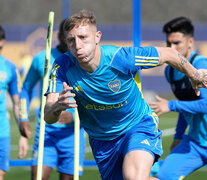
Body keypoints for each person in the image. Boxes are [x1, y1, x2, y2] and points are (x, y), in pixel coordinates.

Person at [44, 10, 207, 180]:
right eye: (71, 40)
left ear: (97, 36)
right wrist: (57, 106)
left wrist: (194, 75)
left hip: (137, 126)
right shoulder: (62, 66)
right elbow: (48, 116)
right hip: (103, 141)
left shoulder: (121, 58)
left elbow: (169, 54)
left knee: (134, 177)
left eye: (83, 37)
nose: (77, 45)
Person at [19, 20, 85, 180]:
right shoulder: (42, 58)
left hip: (73, 133)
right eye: (67, 37)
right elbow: (26, 89)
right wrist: (23, 117)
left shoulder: (83, 60)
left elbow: (94, 98)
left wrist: (77, 116)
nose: (71, 42)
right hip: (46, 132)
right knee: (38, 176)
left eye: (75, 38)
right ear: (59, 36)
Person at [149, 17, 207, 179]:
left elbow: (205, 105)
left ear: (190, 41)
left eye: (177, 43)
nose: (172, 48)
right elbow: (186, 104)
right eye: (169, 44)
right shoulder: (170, 71)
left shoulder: (202, 65)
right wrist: (179, 136)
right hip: (195, 144)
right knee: (162, 176)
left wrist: (171, 105)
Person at [0, 25, 20, 180]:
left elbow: (16, 103)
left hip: (2, 132)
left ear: (3, 42)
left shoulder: (9, 67)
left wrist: (23, 134)